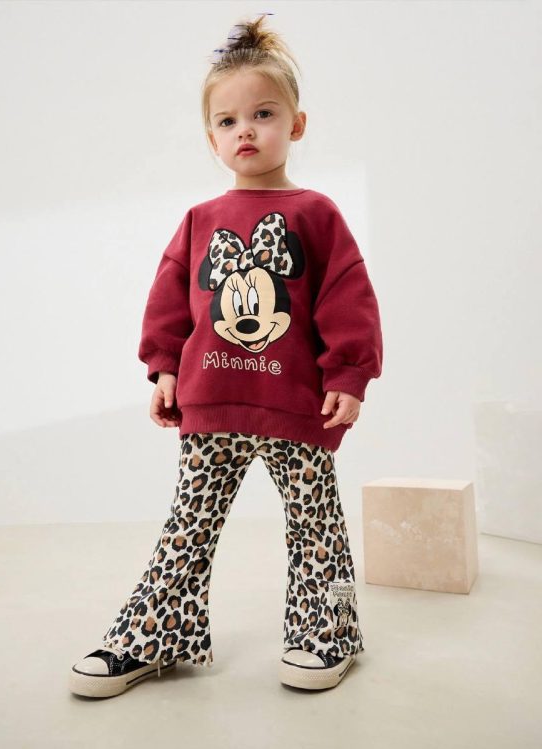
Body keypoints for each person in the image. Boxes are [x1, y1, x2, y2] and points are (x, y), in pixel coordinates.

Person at [69, 12, 383, 698]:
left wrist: (350, 374)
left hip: (296, 404)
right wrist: (163, 369)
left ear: (296, 124)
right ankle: (153, 635)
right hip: (211, 403)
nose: (246, 130)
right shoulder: (199, 220)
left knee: (315, 524)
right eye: (227, 120)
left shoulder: (317, 213)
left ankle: (326, 633)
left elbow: (347, 296)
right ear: (211, 138)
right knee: (187, 526)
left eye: (263, 114)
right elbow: (170, 305)